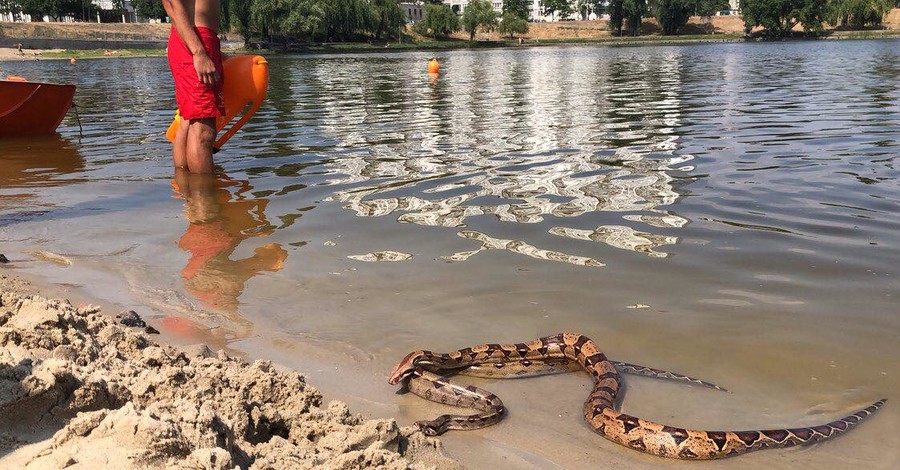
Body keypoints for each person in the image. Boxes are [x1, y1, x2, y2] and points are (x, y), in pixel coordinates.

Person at [163, 0, 224, 174]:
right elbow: (172, 4)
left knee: (187, 120)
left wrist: (212, 51)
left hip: (196, 39)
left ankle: (187, 190)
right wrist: (199, 51)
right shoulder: (197, 48)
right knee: (203, 131)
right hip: (195, 40)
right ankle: (204, 199)